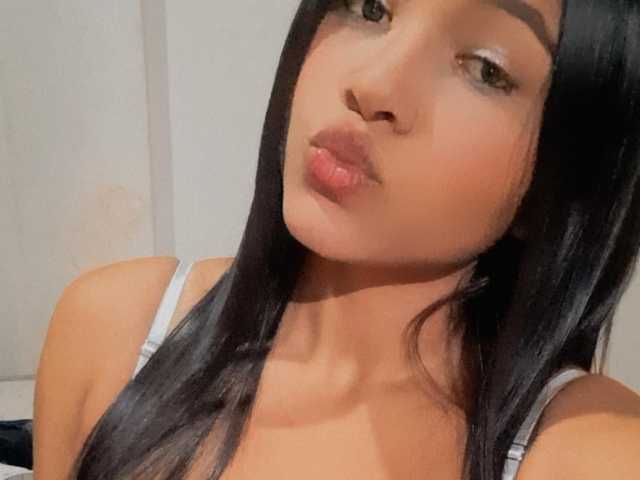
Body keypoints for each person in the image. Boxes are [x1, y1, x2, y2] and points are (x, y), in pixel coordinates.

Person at [33, 1, 640, 479]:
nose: (373, 85)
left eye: (485, 68)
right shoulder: (113, 333)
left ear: (561, 180)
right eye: (370, 7)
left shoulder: (594, 453)